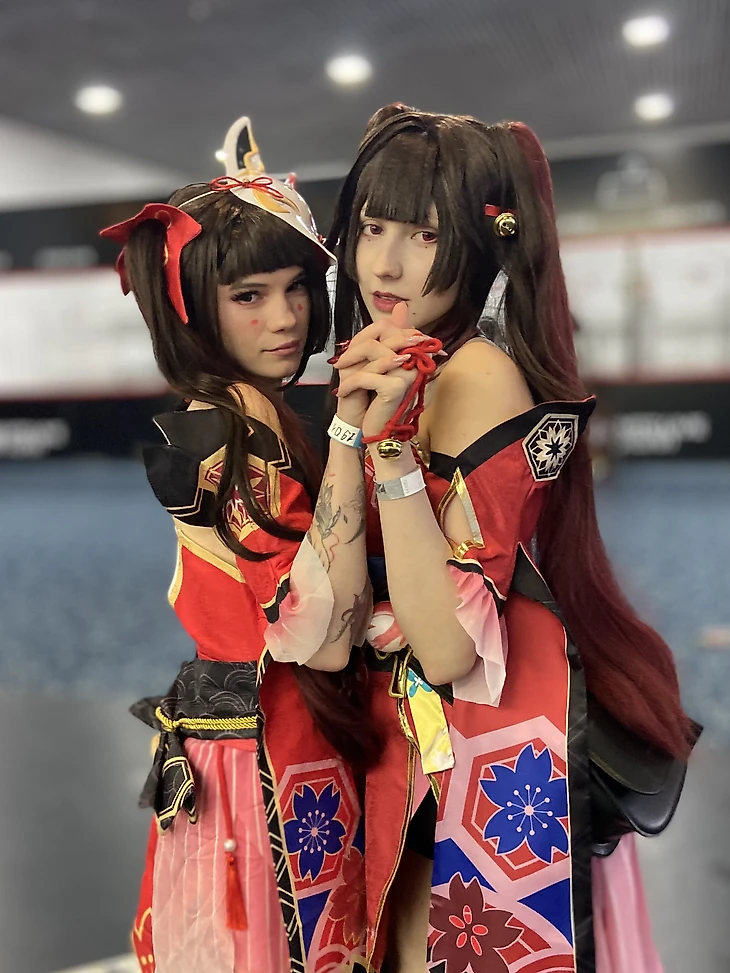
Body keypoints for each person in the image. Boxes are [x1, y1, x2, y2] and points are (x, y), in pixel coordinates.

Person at [325, 105, 698, 973]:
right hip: (419, 726)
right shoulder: (406, 358)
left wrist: (387, 448)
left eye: (423, 235)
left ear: (478, 244)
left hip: (472, 731)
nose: (384, 263)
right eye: (372, 228)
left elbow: (448, 645)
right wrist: (353, 427)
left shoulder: (475, 375)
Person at [99, 117, 419, 973]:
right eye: (248, 296)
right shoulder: (221, 430)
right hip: (263, 751)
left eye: (296, 287)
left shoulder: (255, 411)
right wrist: (351, 434)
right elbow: (317, 630)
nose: (284, 317)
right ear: (192, 307)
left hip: (281, 733)